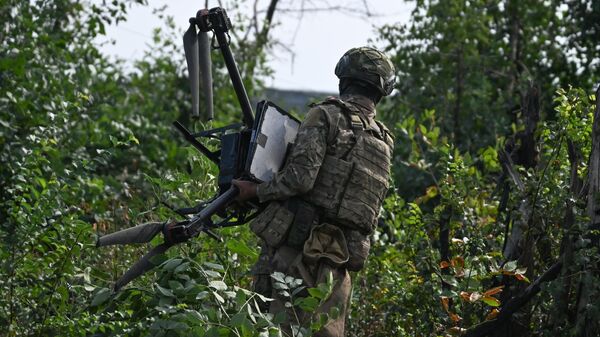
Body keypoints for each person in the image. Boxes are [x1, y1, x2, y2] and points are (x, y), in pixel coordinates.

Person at [232, 47, 396, 337]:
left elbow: (299, 180)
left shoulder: (326, 116)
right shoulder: (383, 140)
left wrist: (255, 190)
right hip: (338, 262)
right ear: (381, 91)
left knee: (272, 330)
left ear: (344, 80)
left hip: (296, 254)